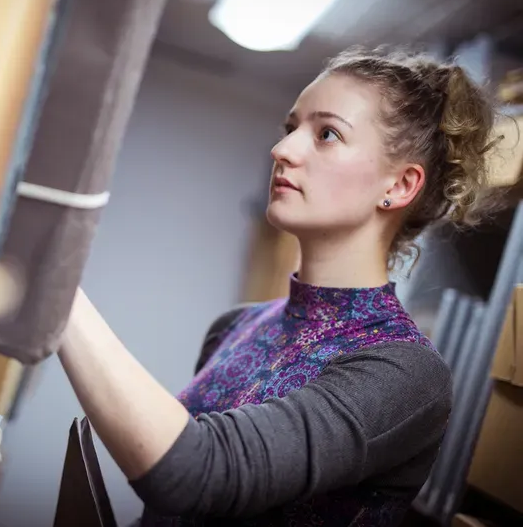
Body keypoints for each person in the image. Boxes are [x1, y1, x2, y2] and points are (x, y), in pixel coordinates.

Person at [57, 46, 503, 526]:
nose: (283, 150)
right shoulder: (236, 325)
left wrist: (54, 285)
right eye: (291, 129)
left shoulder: (403, 372)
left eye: (327, 134)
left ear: (398, 186)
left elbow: (197, 473)